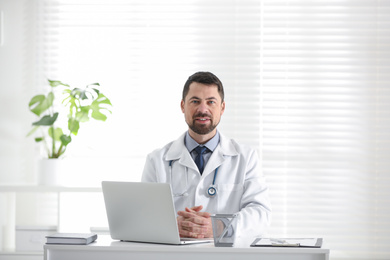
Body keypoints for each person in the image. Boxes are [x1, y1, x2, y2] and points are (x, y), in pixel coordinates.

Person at [142, 71, 271, 239]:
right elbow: (144, 216)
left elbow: (261, 215)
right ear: (183, 106)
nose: (203, 110)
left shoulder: (246, 158)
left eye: (211, 102)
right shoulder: (156, 160)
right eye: (195, 101)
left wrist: (220, 226)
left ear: (222, 107)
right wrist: (171, 225)